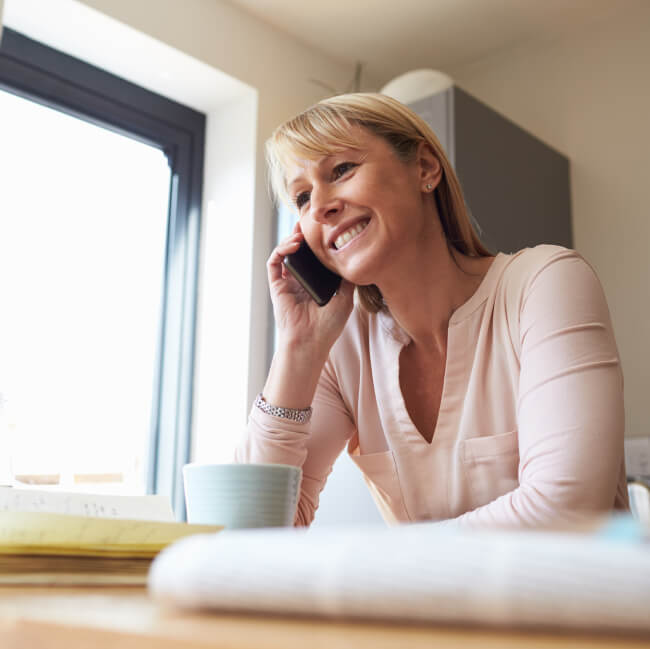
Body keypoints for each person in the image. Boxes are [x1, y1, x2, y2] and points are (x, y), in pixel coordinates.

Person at [235, 92, 628, 528]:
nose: (322, 205)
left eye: (342, 170)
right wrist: (297, 349)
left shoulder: (545, 283)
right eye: (303, 197)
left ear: (424, 167)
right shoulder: (343, 345)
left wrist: (378, 560)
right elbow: (248, 529)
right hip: (420, 598)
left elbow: (568, 509)